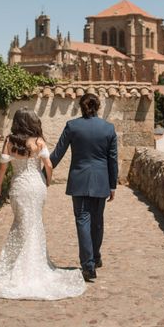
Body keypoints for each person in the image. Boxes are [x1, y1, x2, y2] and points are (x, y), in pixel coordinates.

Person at [0, 108, 86, 300]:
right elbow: (48, 165)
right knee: (35, 224)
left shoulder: (10, 141)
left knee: (22, 223)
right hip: (36, 186)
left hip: (19, 186)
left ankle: (21, 266)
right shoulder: (39, 141)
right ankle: (35, 265)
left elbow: (2, 166)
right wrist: (47, 181)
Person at [50, 93, 118, 282]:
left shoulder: (72, 126)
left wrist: (43, 171)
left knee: (83, 220)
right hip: (101, 181)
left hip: (79, 181)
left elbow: (57, 153)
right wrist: (113, 185)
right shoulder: (108, 128)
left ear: (81, 106)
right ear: (98, 107)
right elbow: (112, 160)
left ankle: (88, 265)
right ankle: (95, 257)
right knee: (97, 221)